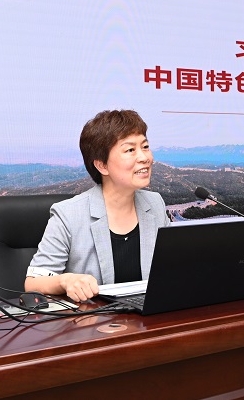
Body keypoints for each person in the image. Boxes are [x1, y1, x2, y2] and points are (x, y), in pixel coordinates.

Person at [25, 109, 170, 302]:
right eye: (130, 150)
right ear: (102, 165)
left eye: (145, 146)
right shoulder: (69, 215)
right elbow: (33, 283)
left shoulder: (155, 204)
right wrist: (65, 281)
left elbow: (173, 266)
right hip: (94, 318)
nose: (144, 157)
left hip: (150, 316)